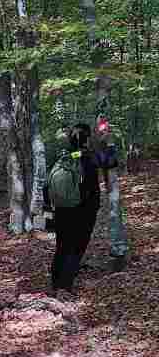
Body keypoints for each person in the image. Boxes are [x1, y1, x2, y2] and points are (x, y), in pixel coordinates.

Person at [50, 122, 117, 297]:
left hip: (62, 208)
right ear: (87, 139)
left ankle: (56, 283)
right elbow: (110, 161)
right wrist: (109, 142)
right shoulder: (89, 156)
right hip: (83, 209)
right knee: (77, 246)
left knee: (62, 245)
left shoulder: (66, 155)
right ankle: (65, 288)